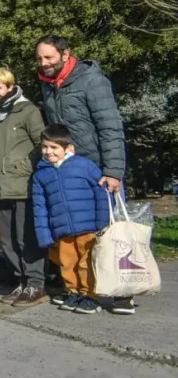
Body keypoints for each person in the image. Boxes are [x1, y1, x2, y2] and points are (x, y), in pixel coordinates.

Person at [35, 34, 131, 314]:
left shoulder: (92, 81)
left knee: (112, 234)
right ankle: (82, 290)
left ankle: (124, 293)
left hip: (99, 170)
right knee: (81, 239)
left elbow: (111, 128)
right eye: (40, 58)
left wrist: (113, 171)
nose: (44, 63)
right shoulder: (49, 85)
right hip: (69, 171)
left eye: (49, 57)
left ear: (66, 54)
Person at [0, 66, 47, 307]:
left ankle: (36, 283)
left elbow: (42, 142)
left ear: (10, 87)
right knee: (8, 239)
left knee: (25, 237)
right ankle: (20, 280)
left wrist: (24, 166)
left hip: (21, 183)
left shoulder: (27, 110)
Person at [31, 125, 111, 315]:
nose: (48, 151)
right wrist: (44, 234)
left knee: (86, 263)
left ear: (67, 148)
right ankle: (73, 292)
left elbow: (101, 194)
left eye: (54, 147)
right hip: (62, 230)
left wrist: (102, 223)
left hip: (88, 227)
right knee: (67, 264)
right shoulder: (41, 174)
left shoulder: (84, 165)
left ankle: (90, 295)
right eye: (45, 147)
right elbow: (39, 207)